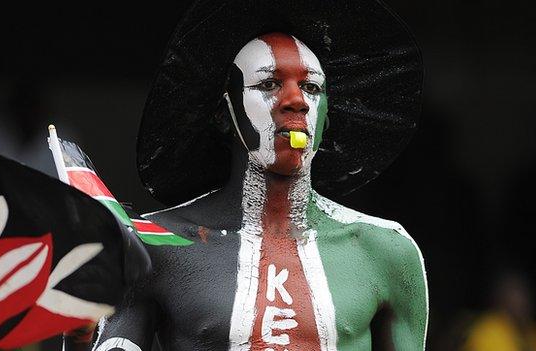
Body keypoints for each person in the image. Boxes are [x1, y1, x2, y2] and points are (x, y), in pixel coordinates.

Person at [92, 0, 427, 350]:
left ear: (325, 121)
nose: (295, 101)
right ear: (224, 114)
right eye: (268, 84)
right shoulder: (152, 247)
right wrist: (79, 329)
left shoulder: (385, 251)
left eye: (311, 88)